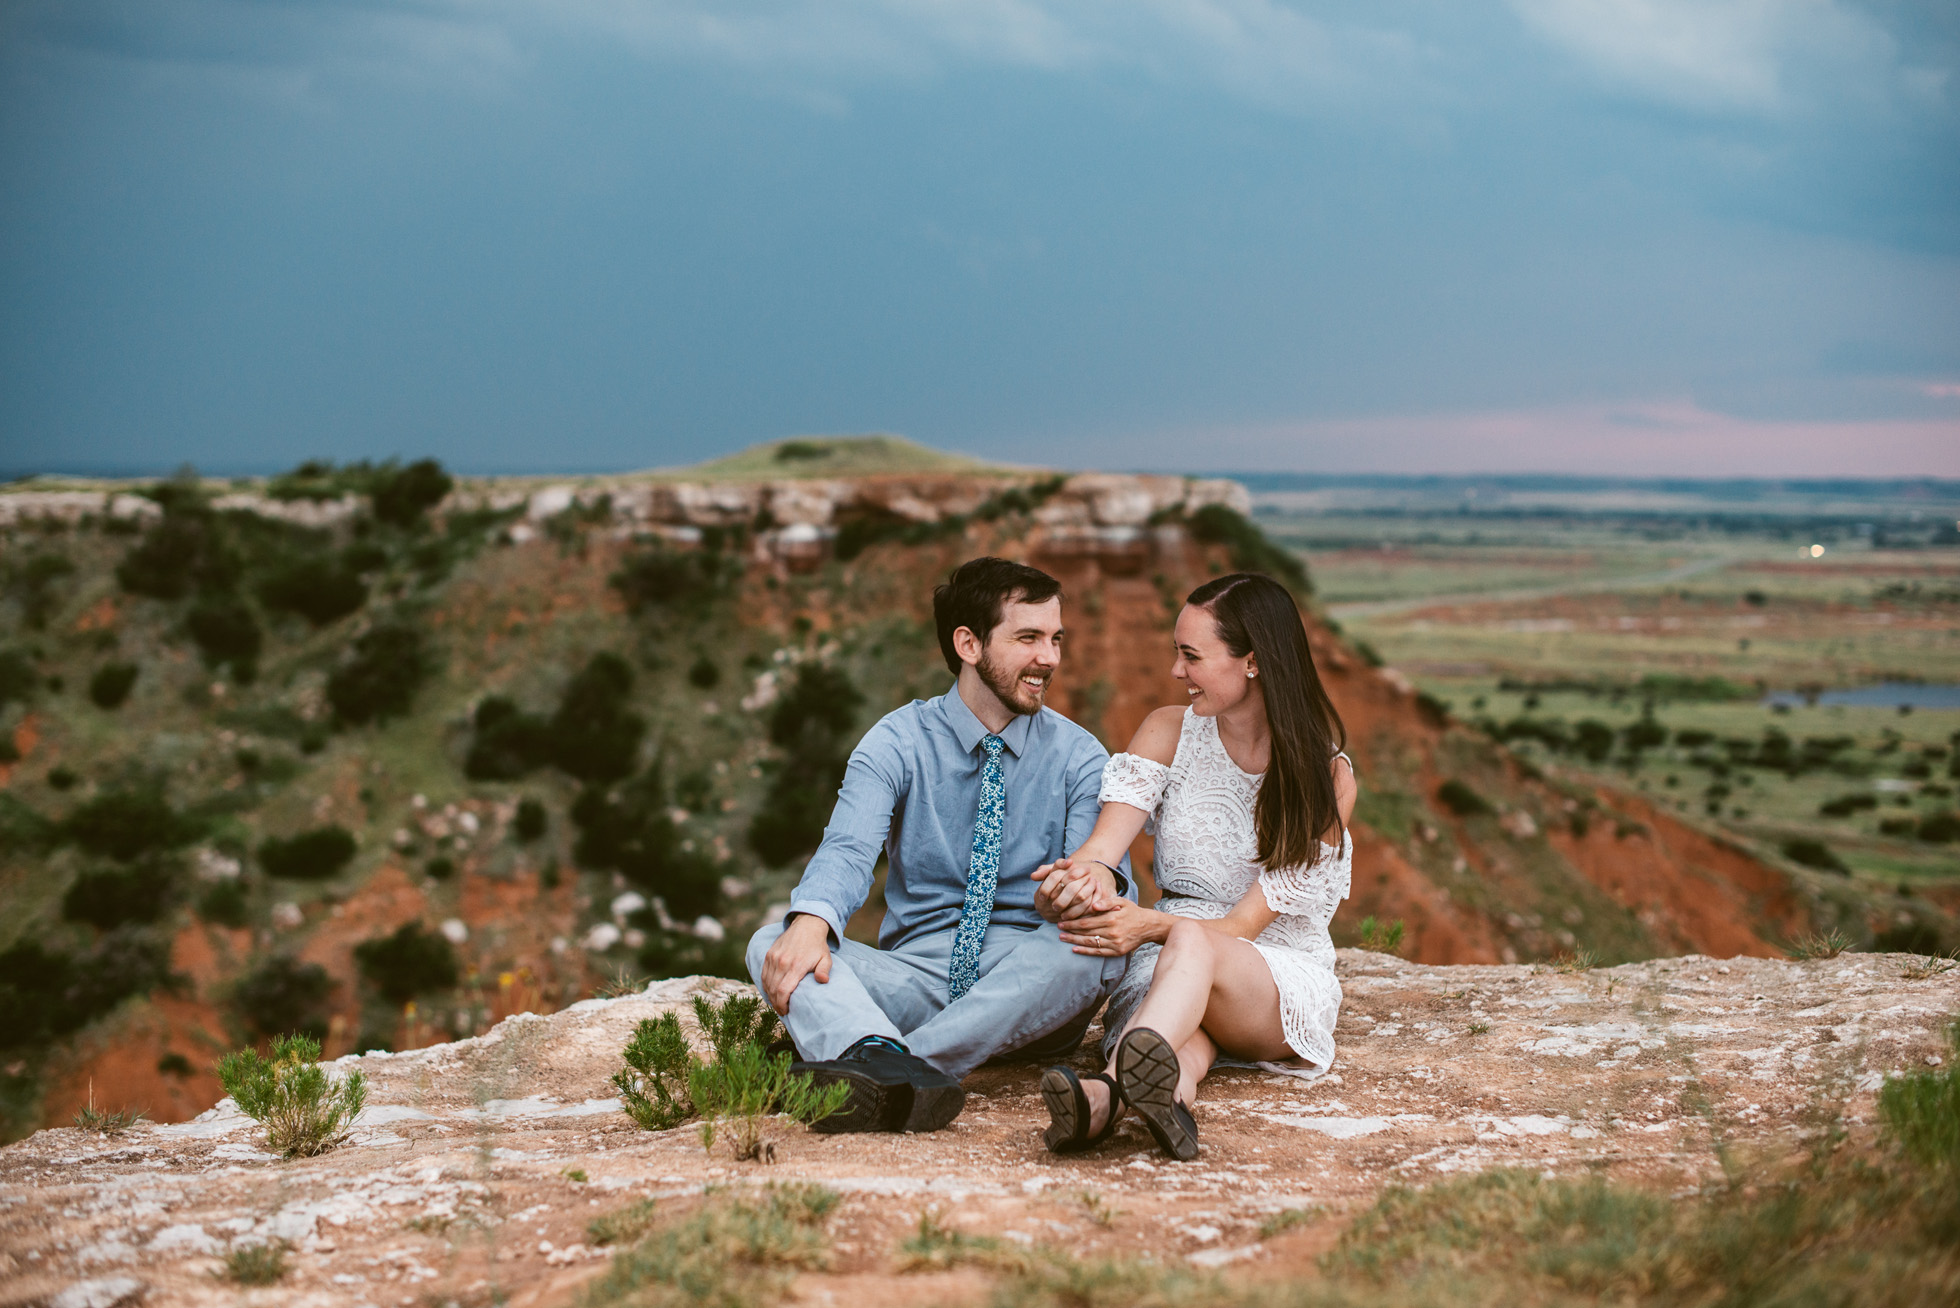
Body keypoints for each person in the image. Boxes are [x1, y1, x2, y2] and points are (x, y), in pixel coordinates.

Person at [746, 556, 1134, 1134]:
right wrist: (812, 921)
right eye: (1028, 638)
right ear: (968, 644)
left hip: (1030, 983)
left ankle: (879, 1065)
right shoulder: (896, 741)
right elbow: (849, 849)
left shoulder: (1082, 757)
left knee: (1097, 946)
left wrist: (1075, 894)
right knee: (773, 939)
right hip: (914, 978)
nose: (1049, 658)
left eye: (1055, 639)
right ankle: (887, 1059)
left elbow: (1098, 882)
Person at [1031, 572, 1356, 1160]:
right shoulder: (1165, 730)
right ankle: (1164, 1103)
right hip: (1171, 970)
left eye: (1191, 656)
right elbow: (1104, 848)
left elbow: (1240, 929)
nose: (1176, 671)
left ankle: (1103, 1088)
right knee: (1181, 1043)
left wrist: (1146, 925)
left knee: (1192, 949)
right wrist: (1075, 882)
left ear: (1252, 662)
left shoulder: (1325, 777)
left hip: (1272, 977)